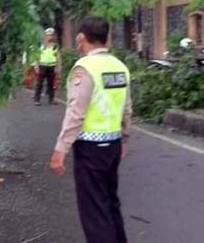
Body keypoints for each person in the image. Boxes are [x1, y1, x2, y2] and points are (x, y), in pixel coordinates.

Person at [49, 16, 131, 243]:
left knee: (94, 210)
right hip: (113, 145)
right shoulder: (119, 66)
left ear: (81, 38)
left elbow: (76, 112)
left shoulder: (84, 68)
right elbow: (127, 109)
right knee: (110, 202)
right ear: (107, 39)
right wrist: (123, 140)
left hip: (90, 148)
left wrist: (60, 149)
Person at [34, 28, 61, 106]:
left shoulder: (55, 46)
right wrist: (36, 66)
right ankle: (37, 99)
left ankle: (51, 99)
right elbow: (36, 56)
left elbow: (58, 57)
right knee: (39, 84)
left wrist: (58, 67)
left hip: (52, 66)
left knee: (51, 84)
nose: (50, 37)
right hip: (42, 66)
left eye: (51, 35)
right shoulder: (41, 45)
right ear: (45, 36)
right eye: (48, 35)